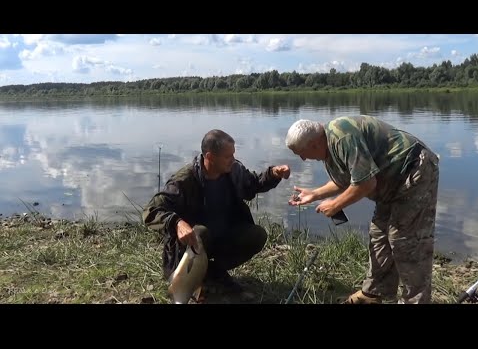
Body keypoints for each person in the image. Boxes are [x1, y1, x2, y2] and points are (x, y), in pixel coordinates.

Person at [285, 115, 439, 304]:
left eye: (302, 152)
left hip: (413, 171)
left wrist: (335, 205)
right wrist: (315, 194)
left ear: (315, 142)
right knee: (379, 236)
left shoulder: (342, 137)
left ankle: (416, 300)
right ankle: (373, 294)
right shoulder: (329, 146)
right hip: (390, 184)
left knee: (406, 242)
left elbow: (365, 183)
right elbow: (348, 179)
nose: (303, 158)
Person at [142, 129, 290, 294]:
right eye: (228, 156)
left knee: (257, 235)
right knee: (200, 232)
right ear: (210, 157)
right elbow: (151, 211)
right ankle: (188, 282)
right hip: (190, 249)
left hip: (220, 237)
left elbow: (252, 184)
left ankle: (213, 273)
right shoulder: (185, 180)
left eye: (233, 155)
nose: (233, 160)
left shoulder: (234, 170)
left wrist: (273, 174)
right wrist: (177, 223)